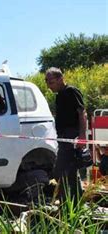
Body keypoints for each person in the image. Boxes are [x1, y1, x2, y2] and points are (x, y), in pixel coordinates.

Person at [45, 67, 86, 201]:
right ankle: (74, 201)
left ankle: (71, 202)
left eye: (50, 82)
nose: (48, 85)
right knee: (70, 171)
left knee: (61, 171)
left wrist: (82, 136)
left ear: (60, 79)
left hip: (72, 136)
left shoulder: (71, 92)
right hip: (63, 137)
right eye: (46, 82)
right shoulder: (59, 96)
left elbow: (82, 113)